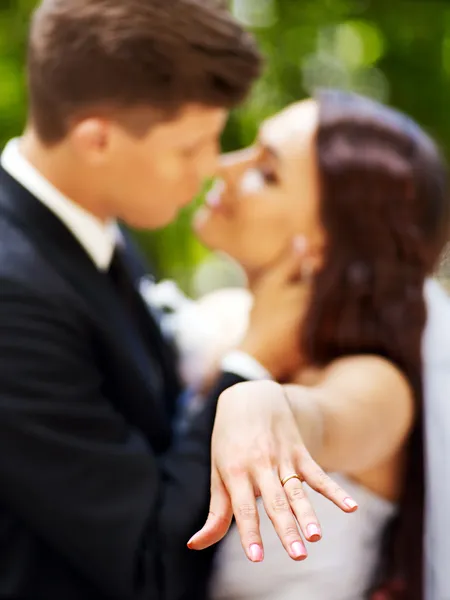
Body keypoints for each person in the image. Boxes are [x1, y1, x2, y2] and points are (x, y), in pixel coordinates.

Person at [0, 2, 358, 599]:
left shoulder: (98, 231)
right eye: (192, 147)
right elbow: (151, 565)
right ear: (97, 138)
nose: (210, 169)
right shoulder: (12, 296)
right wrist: (248, 363)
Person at [188, 90, 450, 599]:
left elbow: (324, 418)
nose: (224, 167)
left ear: (323, 243)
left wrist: (262, 397)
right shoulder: (219, 325)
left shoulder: (377, 381)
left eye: (267, 172)